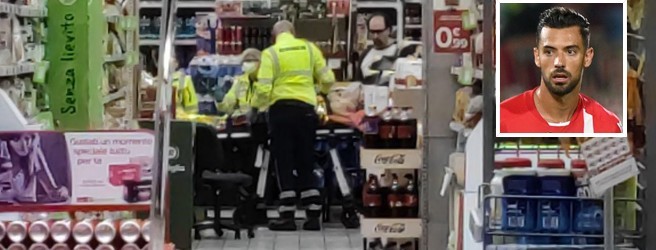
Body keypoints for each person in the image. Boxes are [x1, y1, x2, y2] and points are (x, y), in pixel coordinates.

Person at [253, 20, 335, 231]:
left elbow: (263, 89)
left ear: (274, 36)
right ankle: (313, 214)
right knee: (306, 159)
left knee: (284, 161)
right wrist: (318, 91)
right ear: (293, 32)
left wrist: (259, 109)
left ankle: (287, 216)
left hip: (281, 111)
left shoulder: (270, 53)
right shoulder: (309, 48)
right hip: (306, 111)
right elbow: (328, 78)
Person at [500, 7, 621, 133]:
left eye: (570, 52)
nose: (559, 63)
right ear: (537, 56)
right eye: (549, 52)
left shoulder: (609, 124)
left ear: (587, 57)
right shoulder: (504, 119)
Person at [218, 48, 267, 119]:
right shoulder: (240, 81)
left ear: (260, 62)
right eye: (245, 61)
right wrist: (220, 100)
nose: (247, 63)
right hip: (242, 121)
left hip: (261, 121)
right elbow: (228, 108)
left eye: (250, 61)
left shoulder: (266, 81)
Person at [358, 13, 399, 81]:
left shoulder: (399, 53)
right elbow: (358, 83)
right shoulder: (365, 55)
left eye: (379, 32)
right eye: (372, 32)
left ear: (389, 30)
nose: (375, 36)